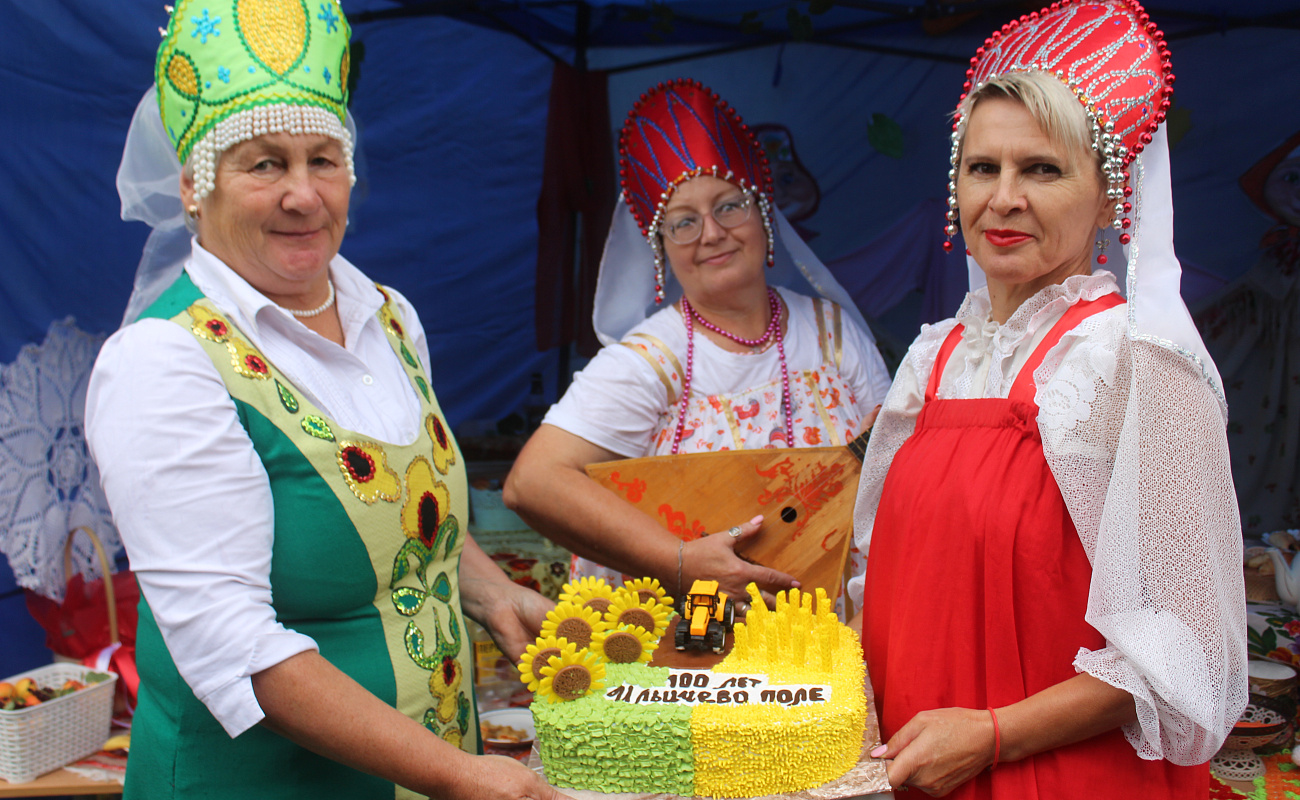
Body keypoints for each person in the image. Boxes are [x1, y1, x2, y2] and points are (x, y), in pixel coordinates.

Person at [85, 3, 568, 798]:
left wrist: (488, 590)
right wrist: (456, 775)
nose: (304, 195)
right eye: (264, 164)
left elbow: (400, 512)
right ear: (193, 188)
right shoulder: (162, 362)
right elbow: (232, 645)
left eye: (323, 159)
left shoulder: (390, 316)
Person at [849, 2, 1248, 797]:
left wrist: (992, 734)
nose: (1003, 198)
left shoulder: (1138, 365)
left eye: (1042, 169)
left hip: (1058, 775)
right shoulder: (932, 359)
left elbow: (1191, 645)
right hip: (913, 763)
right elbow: (879, 577)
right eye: (982, 167)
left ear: (1109, 199)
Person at [504, 79, 891, 609]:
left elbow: (893, 465)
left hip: (839, 628)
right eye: (683, 222)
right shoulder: (648, 363)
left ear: (763, 214)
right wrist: (678, 561)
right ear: (661, 249)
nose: (711, 233)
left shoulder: (832, 333)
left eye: (729, 206)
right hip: (702, 641)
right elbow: (531, 483)